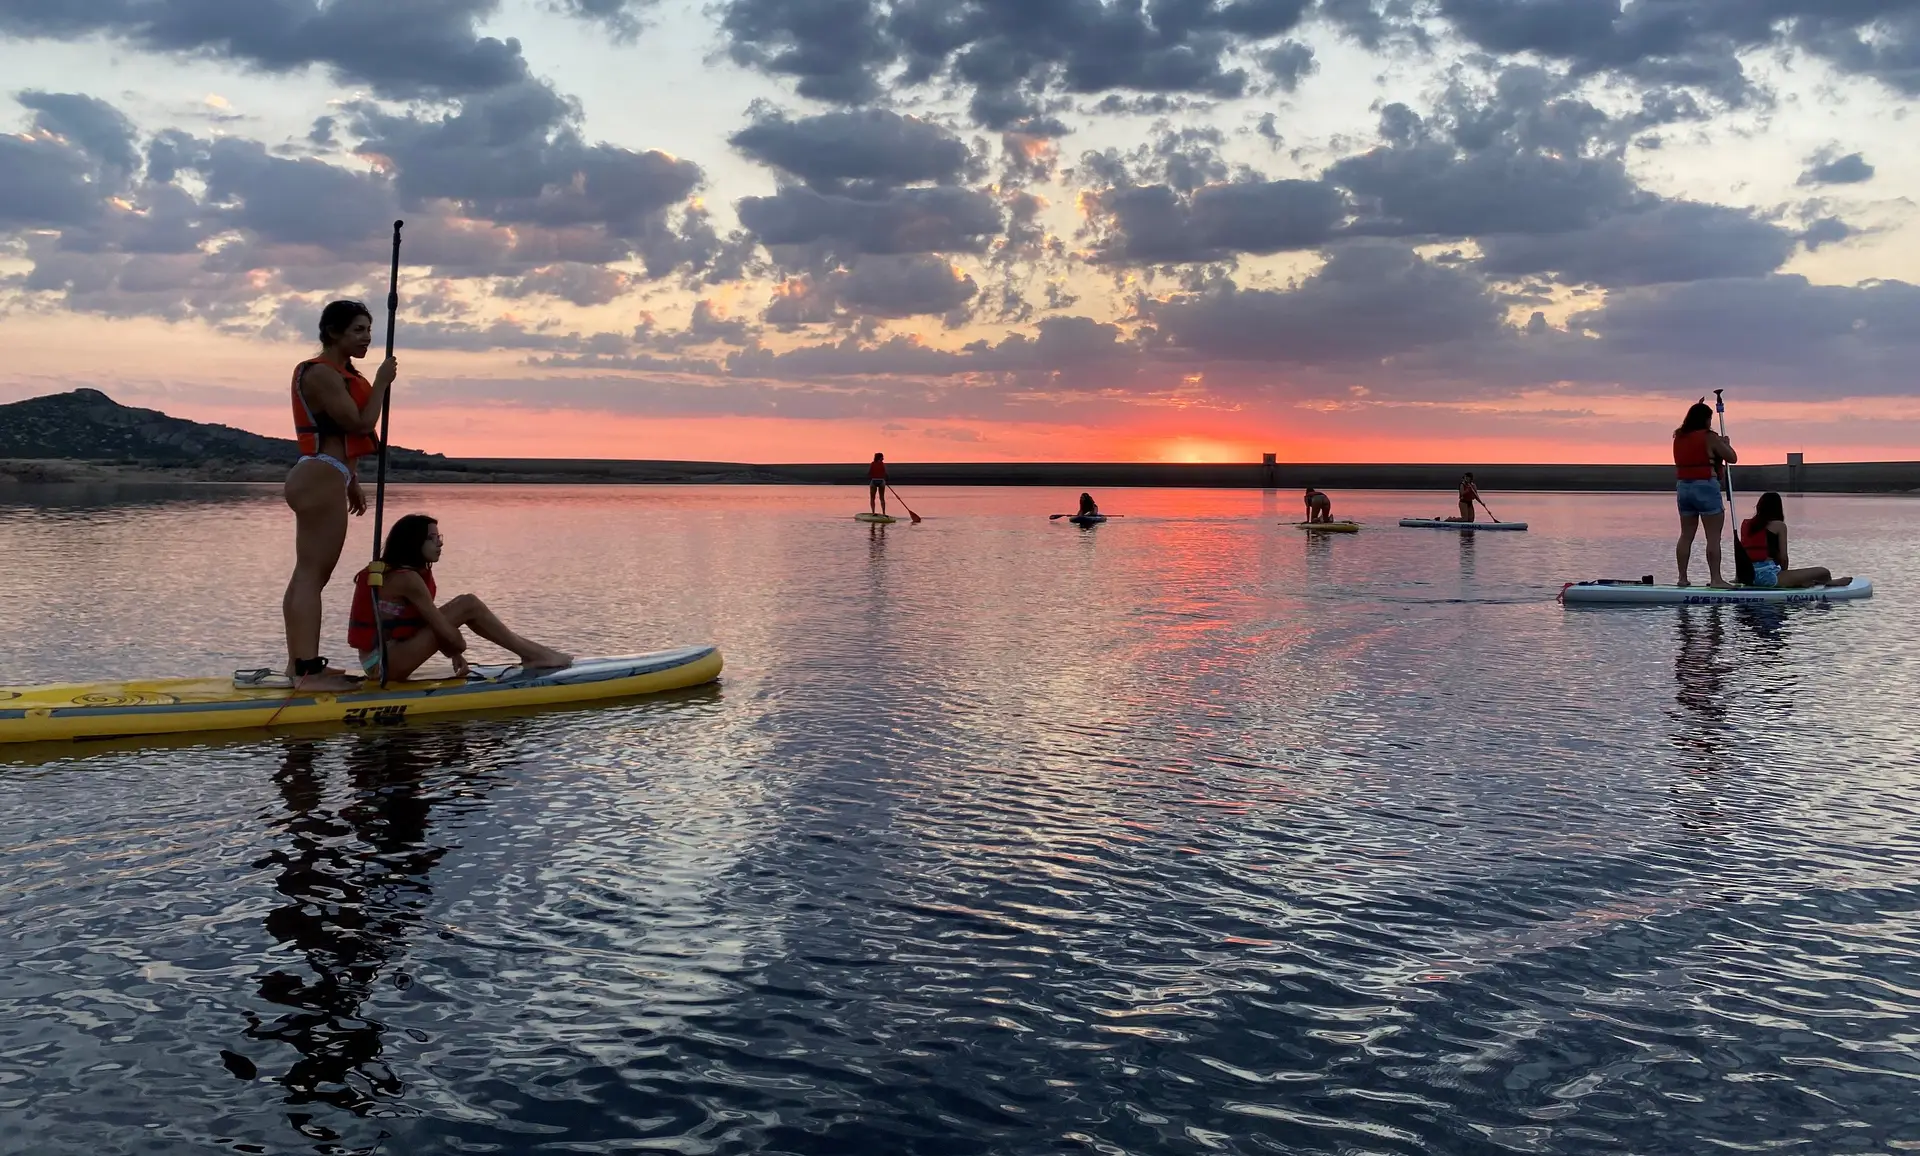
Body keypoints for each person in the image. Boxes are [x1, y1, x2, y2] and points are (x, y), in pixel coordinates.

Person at [283, 299, 396, 689]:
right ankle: (305, 671)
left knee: (308, 575)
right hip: (318, 476)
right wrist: (382, 382)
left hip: (329, 475)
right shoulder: (322, 374)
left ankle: (298, 664)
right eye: (358, 330)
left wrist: (351, 480)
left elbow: (345, 437)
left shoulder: (342, 373)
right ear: (333, 332)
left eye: (368, 330)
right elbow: (359, 422)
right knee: (312, 576)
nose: (367, 337)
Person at [348, 514, 572, 682]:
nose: (440, 543)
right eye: (432, 538)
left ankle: (535, 654)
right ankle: (536, 655)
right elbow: (447, 633)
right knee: (468, 604)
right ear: (413, 543)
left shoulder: (401, 573)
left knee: (465, 604)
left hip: (381, 660)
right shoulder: (407, 579)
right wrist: (458, 645)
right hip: (385, 664)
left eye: (439, 537)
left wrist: (453, 654)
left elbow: (428, 623)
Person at [1672, 400, 1738, 588]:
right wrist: (1726, 444)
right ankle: (1716, 579)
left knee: (1686, 535)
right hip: (1706, 486)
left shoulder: (1679, 436)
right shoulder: (1710, 437)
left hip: (1684, 487)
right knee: (1713, 537)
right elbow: (1732, 458)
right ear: (1706, 420)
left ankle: (1682, 578)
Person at [1736, 492, 1851, 589]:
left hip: (1746, 576)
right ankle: (1828, 582)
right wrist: (1784, 574)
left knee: (1797, 577)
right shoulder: (1779, 525)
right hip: (1767, 577)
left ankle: (1801, 582)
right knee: (1824, 571)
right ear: (1778, 508)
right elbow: (1784, 559)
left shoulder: (1747, 525)